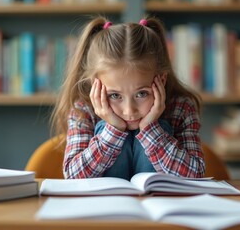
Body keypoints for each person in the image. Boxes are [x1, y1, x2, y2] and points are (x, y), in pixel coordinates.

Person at [51, 16, 205, 180]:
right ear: (95, 85)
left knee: (161, 126)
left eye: (141, 93)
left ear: (161, 79)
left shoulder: (181, 108)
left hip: (161, 204)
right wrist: (113, 130)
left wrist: (150, 129)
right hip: (103, 206)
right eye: (115, 95)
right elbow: (73, 175)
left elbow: (196, 174)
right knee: (105, 127)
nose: (129, 111)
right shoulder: (83, 111)